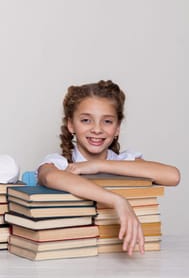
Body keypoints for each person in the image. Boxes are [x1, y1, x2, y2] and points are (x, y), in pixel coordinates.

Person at [37, 80, 180, 256]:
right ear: (71, 125)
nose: (97, 129)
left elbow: (172, 176)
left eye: (107, 121)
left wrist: (98, 165)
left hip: (126, 254)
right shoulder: (60, 163)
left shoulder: (125, 161)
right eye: (86, 120)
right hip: (74, 251)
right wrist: (117, 201)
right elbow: (49, 177)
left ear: (118, 127)